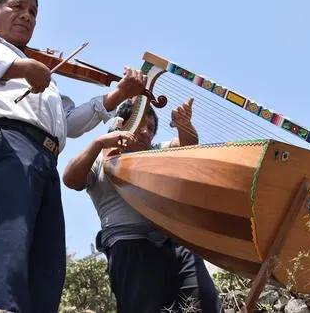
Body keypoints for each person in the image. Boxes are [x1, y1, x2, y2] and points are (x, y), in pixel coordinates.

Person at [0, 0, 146, 313]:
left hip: (45, 156)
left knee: (46, 255)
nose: (26, 16)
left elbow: (69, 122)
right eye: (17, 7)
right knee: (9, 236)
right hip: (8, 142)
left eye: (33, 12)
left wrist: (119, 94)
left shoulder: (43, 75)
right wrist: (22, 67)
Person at [63, 97, 221, 313]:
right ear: (122, 124)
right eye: (141, 124)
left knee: (205, 302)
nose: (147, 132)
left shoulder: (155, 152)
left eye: (151, 128)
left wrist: (184, 125)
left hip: (173, 242)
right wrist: (99, 143)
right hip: (129, 245)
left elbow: (189, 148)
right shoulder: (100, 159)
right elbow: (71, 179)